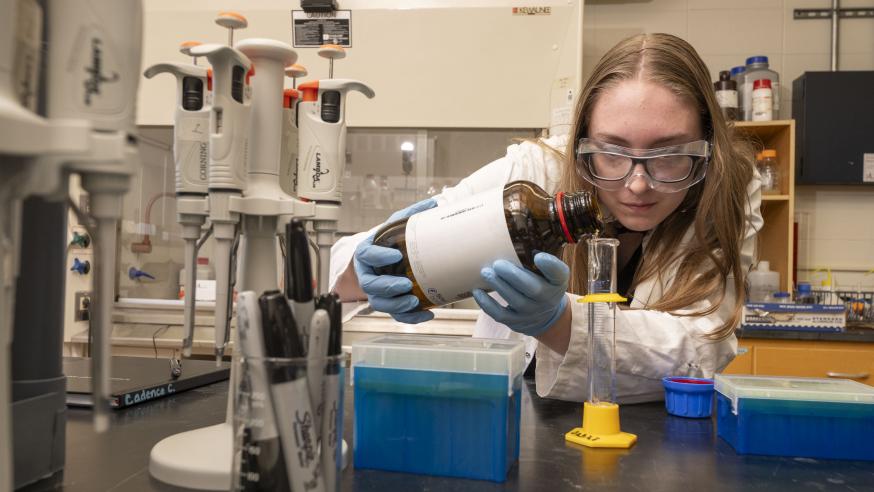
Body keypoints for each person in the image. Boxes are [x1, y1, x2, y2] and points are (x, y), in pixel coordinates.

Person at [330, 33, 763, 403]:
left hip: (659, 440)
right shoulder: (536, 172)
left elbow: (705, 346)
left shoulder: (726, 188)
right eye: (611, 152)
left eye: (668, 155)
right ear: (580, 140)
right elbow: (353, 268)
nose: (636, 184)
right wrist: (363, 269)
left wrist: (559, 322)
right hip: (507, 413)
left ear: (706, 144)